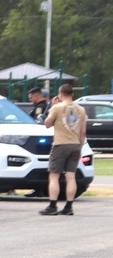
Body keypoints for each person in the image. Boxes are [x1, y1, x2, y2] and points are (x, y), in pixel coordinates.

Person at [40, 83, 87, 216]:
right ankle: (69, 206)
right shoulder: (81, 110)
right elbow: (83, 131)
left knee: (54, 175)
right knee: (70, 176)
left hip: (61, 144)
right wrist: (80, 146)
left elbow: (47, 124)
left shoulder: (57, 108)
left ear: (60, 94)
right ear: (72, 94)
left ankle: (53, 205)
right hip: (75, 144)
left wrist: (51, 108)